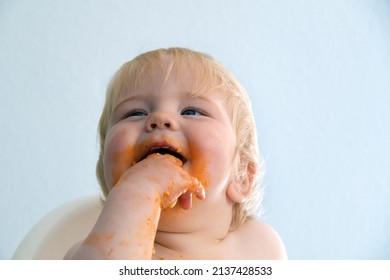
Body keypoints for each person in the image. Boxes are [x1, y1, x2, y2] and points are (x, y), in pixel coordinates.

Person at [65, 47, 287, 259]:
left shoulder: (260, 246)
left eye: (191, 111)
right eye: (134, 112)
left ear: (241, 176)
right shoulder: (90, 255)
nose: (160, 118)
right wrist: (136, 192)